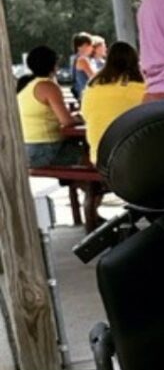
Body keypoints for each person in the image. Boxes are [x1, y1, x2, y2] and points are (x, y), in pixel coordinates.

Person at [18, 43, 105, 230]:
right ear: (54, 65)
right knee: (94, 162)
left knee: (83, 167)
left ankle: (91, 208)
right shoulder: (48, 86)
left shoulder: (26, 87)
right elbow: (67, 121)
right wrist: (81, 116)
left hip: (27, 150)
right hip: (45, 150)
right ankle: (92, 215)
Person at [81, 41, 147, 162]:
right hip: (133, 156)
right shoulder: (142, 87)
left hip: (99, 156)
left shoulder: (93, 86)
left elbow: (85, 115)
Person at [70, 32, 96, 103]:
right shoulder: (82, 60)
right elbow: (94, 77)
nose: (92, 48)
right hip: (87, 95)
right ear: (84, 45)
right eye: (90, 45)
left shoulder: (74, 58)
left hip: (82, 95)